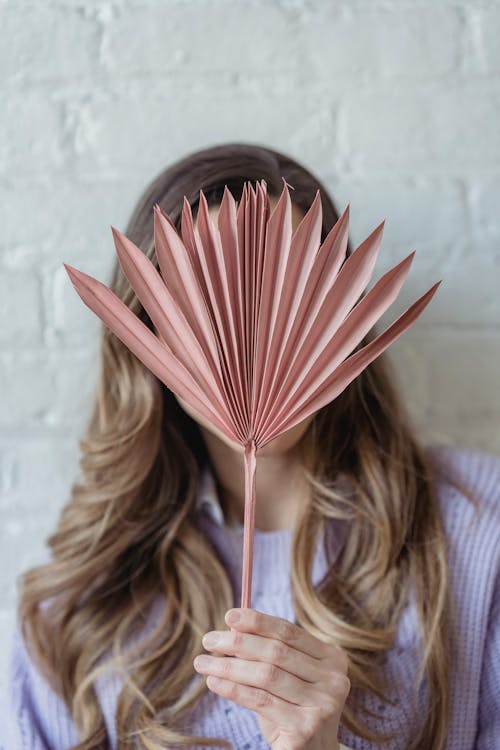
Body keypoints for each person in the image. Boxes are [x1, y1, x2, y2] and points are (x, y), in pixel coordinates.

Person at [1, 143, 499, 750]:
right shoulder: (78, 605)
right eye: (204, 306)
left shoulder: (479, 528)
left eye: (290, 299)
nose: (254, 342)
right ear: (148, 334)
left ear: (345, 317)